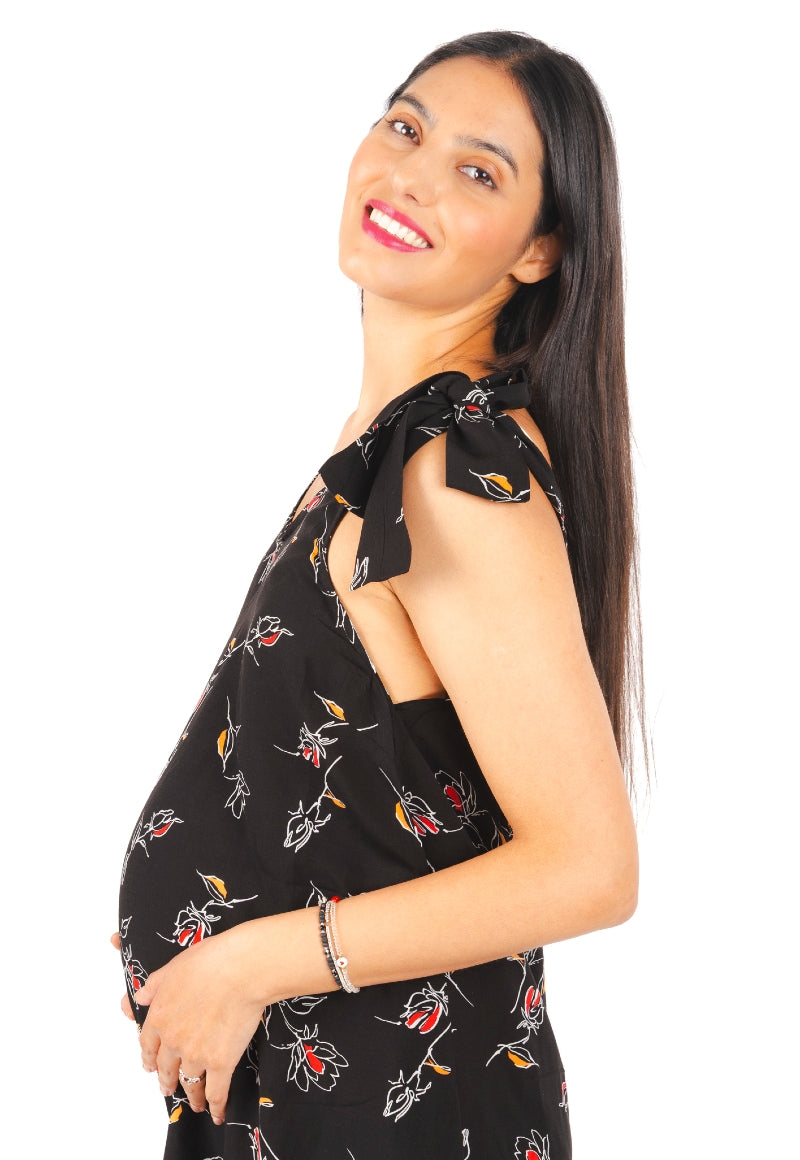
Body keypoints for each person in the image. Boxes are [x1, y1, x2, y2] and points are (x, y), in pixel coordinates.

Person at [115, 30, 642, 1160]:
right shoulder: (388, 449)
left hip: (393, 1116)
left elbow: (589, 866)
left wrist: (248, 961)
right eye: (405, 127)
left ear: (539, 250)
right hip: (304, 1099)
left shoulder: (451, 470)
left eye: (477, 171)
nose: (410, 175)